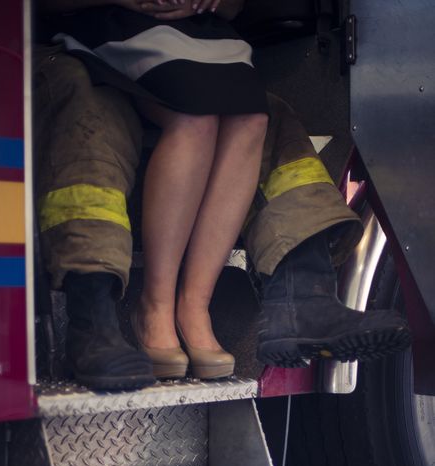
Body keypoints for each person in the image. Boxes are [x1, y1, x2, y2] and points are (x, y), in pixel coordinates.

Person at [35, 0, 411, 389]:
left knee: (257, 117)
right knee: (108, 117)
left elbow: (233, 9)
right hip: (73, 39)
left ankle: (295, 298)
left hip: (187, 42)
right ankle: (108, 314)